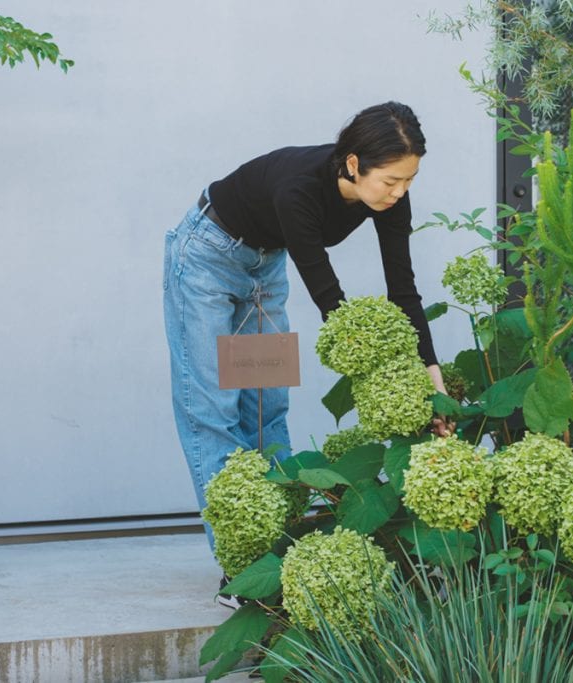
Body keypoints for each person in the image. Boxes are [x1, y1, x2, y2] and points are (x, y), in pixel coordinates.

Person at [162, 101, 450, 606]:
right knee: (212, 410)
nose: (400, 192)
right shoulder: (298, 190)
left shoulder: (390, 197)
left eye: (409, 180)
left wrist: (433, 380)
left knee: (268, 407)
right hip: (208, 254)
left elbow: (403, 292)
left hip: (264, 266)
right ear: (354, 163)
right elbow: (333, 306)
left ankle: (283, 552)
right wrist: (381, 378)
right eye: (390, 180)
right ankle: (242, 570)